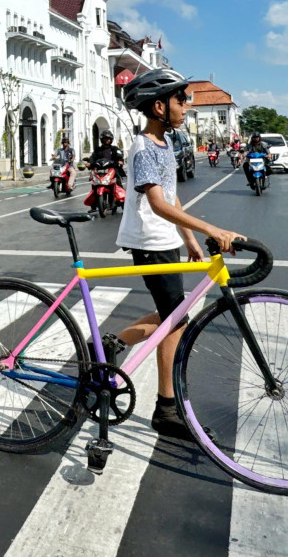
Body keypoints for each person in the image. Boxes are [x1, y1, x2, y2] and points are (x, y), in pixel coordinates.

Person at [113, 68, 243, 442]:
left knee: (176, 315)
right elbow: (156, 204)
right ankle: (165, 407)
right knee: (177, 317)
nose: (187, 106)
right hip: (149, 241)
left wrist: (189, 238)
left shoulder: (165, 144)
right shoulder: (143, 148)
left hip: (166, 239)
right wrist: (211, 230)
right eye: (180, 100)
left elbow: (172, 196)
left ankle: (113, 345)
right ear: (158, 106)